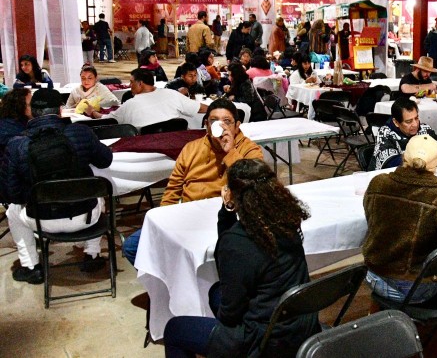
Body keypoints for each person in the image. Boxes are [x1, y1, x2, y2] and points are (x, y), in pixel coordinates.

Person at [163, 159, 319, 358]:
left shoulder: (238, 242)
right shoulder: (287, 221)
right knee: (215, 292)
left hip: (265, 340)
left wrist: (228, 206)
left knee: (175, 329)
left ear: (235, 195)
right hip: (300, 325)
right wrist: (229, 209)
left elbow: (230, 314)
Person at [363, 134, 437, 353]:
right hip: (416, 289)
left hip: (375, 278)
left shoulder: (378, 183)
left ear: (404, 157)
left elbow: (371, 218)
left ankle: (378, 323)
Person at [122, 99, 265, 264]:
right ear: (207, 125)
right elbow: (173, 187)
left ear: (237, 125)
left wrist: (230, 151)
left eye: (227, 121)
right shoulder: (192, 148)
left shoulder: (249, 149)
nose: (221, 126)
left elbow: (254, 184)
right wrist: (164, 219)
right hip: (190, 215)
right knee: (132, 247)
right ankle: (172, 277)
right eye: (214, 121)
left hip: (228, 217)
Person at [3, 89, 113, 283]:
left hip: (40, 220)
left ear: (32, 112)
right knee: (98, 191)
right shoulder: (81, 132)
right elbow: (105, 160)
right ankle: (92, 254)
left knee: (13, 210)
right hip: (85, 217)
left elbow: (11, 193)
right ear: (61, 110)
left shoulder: (16, 144)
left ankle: (31, 267)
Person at [83, 68, 207, 129]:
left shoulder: (130, 105)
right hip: (175, 149)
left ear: (140, 83)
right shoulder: (172, 94)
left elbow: (107, 120)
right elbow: (201, 108)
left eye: (132, 82)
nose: (130, 85)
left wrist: (92, 112)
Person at [372, 97, 437, 170]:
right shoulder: (385, 133)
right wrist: (429, 156)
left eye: (416, 118)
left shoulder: (424, 129)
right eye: (408, 121)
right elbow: (391, 163)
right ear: (396, 122)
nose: (415, 124)